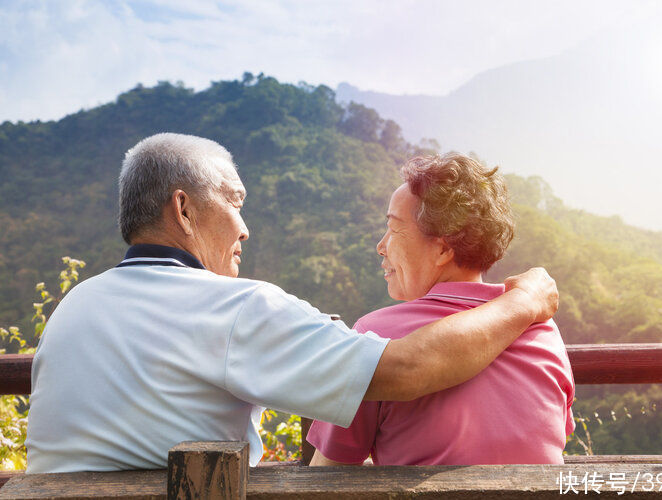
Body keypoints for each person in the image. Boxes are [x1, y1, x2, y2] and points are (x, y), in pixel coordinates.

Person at [25, 134, 558, 473]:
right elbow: (407, 366)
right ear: (183, 210)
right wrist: (525, 303)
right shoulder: (233, 308)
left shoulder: (73, 305)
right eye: (234, 202)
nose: (245, 227)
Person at [308, 153, 575, 465]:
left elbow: (327, 476)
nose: (381, 245)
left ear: (444, 248)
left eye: (394, 229)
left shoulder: (378, 337)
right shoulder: (541, 329)